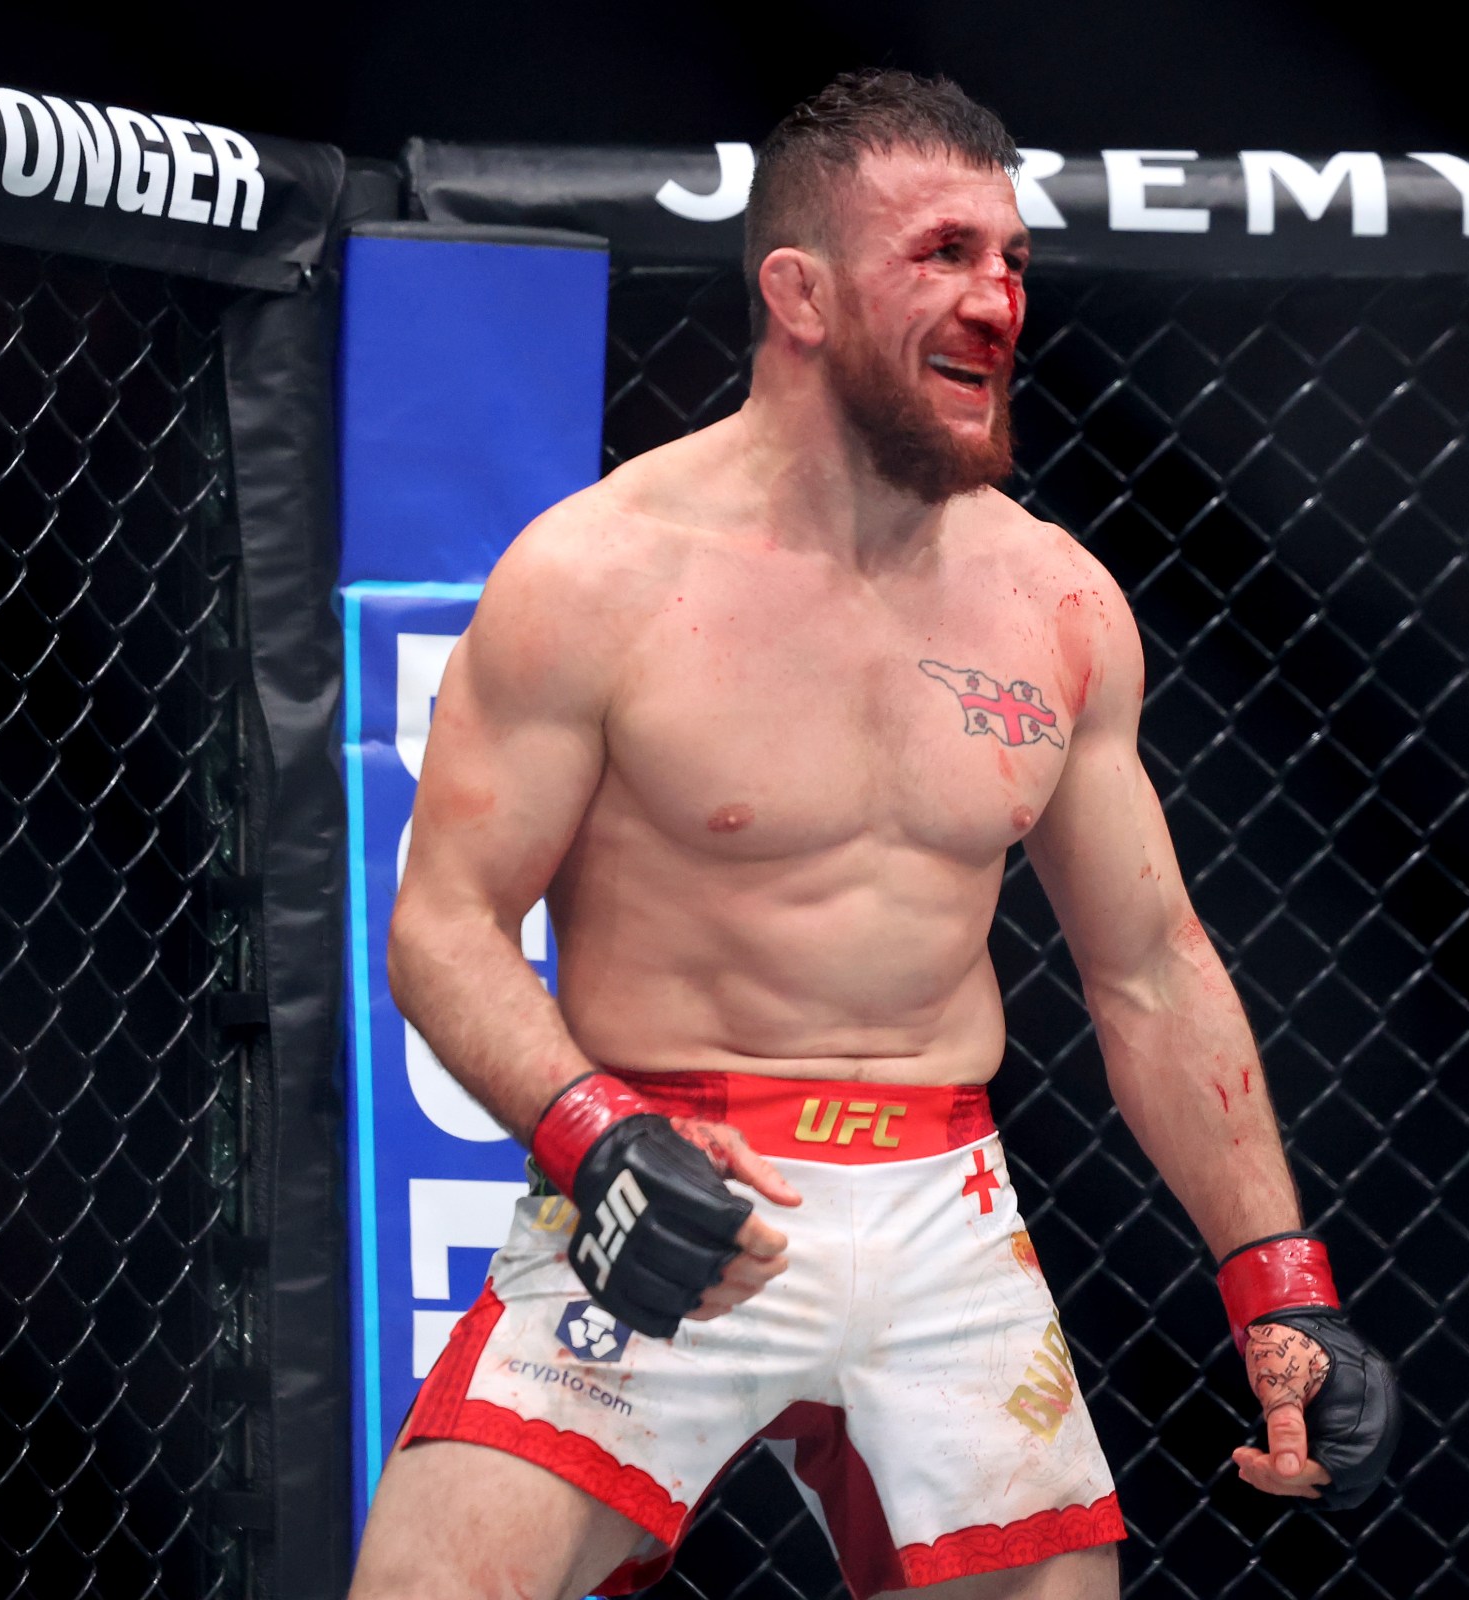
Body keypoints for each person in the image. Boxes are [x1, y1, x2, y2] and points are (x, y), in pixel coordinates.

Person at [349, 69, 1400, 1600]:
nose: (996, 303)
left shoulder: (1054, 601)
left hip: (943, 1209)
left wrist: (1280, 1286)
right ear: (801, 293)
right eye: (944, 255)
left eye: (1013, 263)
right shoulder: (598, 577)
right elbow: (442, 922)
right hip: (670, 1175)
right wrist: (595, 1135)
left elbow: (1153, 972)